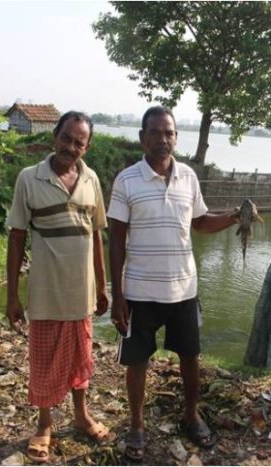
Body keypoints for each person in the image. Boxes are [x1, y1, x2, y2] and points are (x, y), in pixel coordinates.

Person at [108, 106, 241, 461]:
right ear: (142, 138)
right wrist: (116, 294)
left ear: (176, 138)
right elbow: (116, 240)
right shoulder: (126, 181)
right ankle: (136, 424)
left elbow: (199, 223)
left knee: (190, 357)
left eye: (169, 133)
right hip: (139, 291)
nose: (163, 139)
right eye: (155, 132)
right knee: (137, 362)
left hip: (184, 289)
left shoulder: (188, 177)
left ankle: (191, 414)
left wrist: (233, 217)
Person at [6, 111, 111, 464]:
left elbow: (96, 235)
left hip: (81, 293)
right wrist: (11, 296)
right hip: (46, 293)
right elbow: (17, 236)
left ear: (87, 146)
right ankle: (45, 423)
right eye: (66, 138)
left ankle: (81, 416)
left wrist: (102, 286)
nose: (71, 147)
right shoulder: (28, 178)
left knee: (82, 357)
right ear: (55, 136)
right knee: (44, 361)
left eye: (79, 142)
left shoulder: (91, 179)